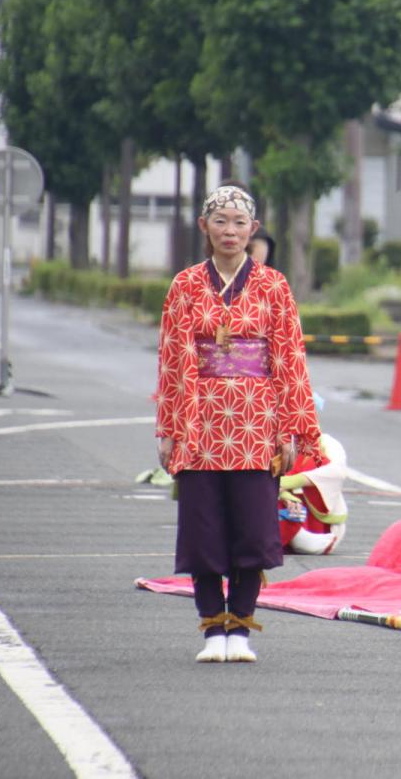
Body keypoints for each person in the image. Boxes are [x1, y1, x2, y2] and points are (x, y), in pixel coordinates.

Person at [156, 184, 320, 663]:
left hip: (258, 421)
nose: (230, 230)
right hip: (199, 418)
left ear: (254, 230)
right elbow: (170, 358)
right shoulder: (185, 285)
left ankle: (241, 628)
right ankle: (212, 629)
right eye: (220, 221)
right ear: (204, 227)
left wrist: (290, 427)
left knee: (253, 528)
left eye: (240, 222)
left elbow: (290, 357)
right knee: (203, 528)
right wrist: (168, 428)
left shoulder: (274, 285)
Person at [278, 432, 349, 555]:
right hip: (281, 502)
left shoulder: (326, 442)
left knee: (318, 462)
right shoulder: (270, 439)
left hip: (315, 519)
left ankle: (295, 535)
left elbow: (337, 471)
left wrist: (290, 482)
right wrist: (283, 495)